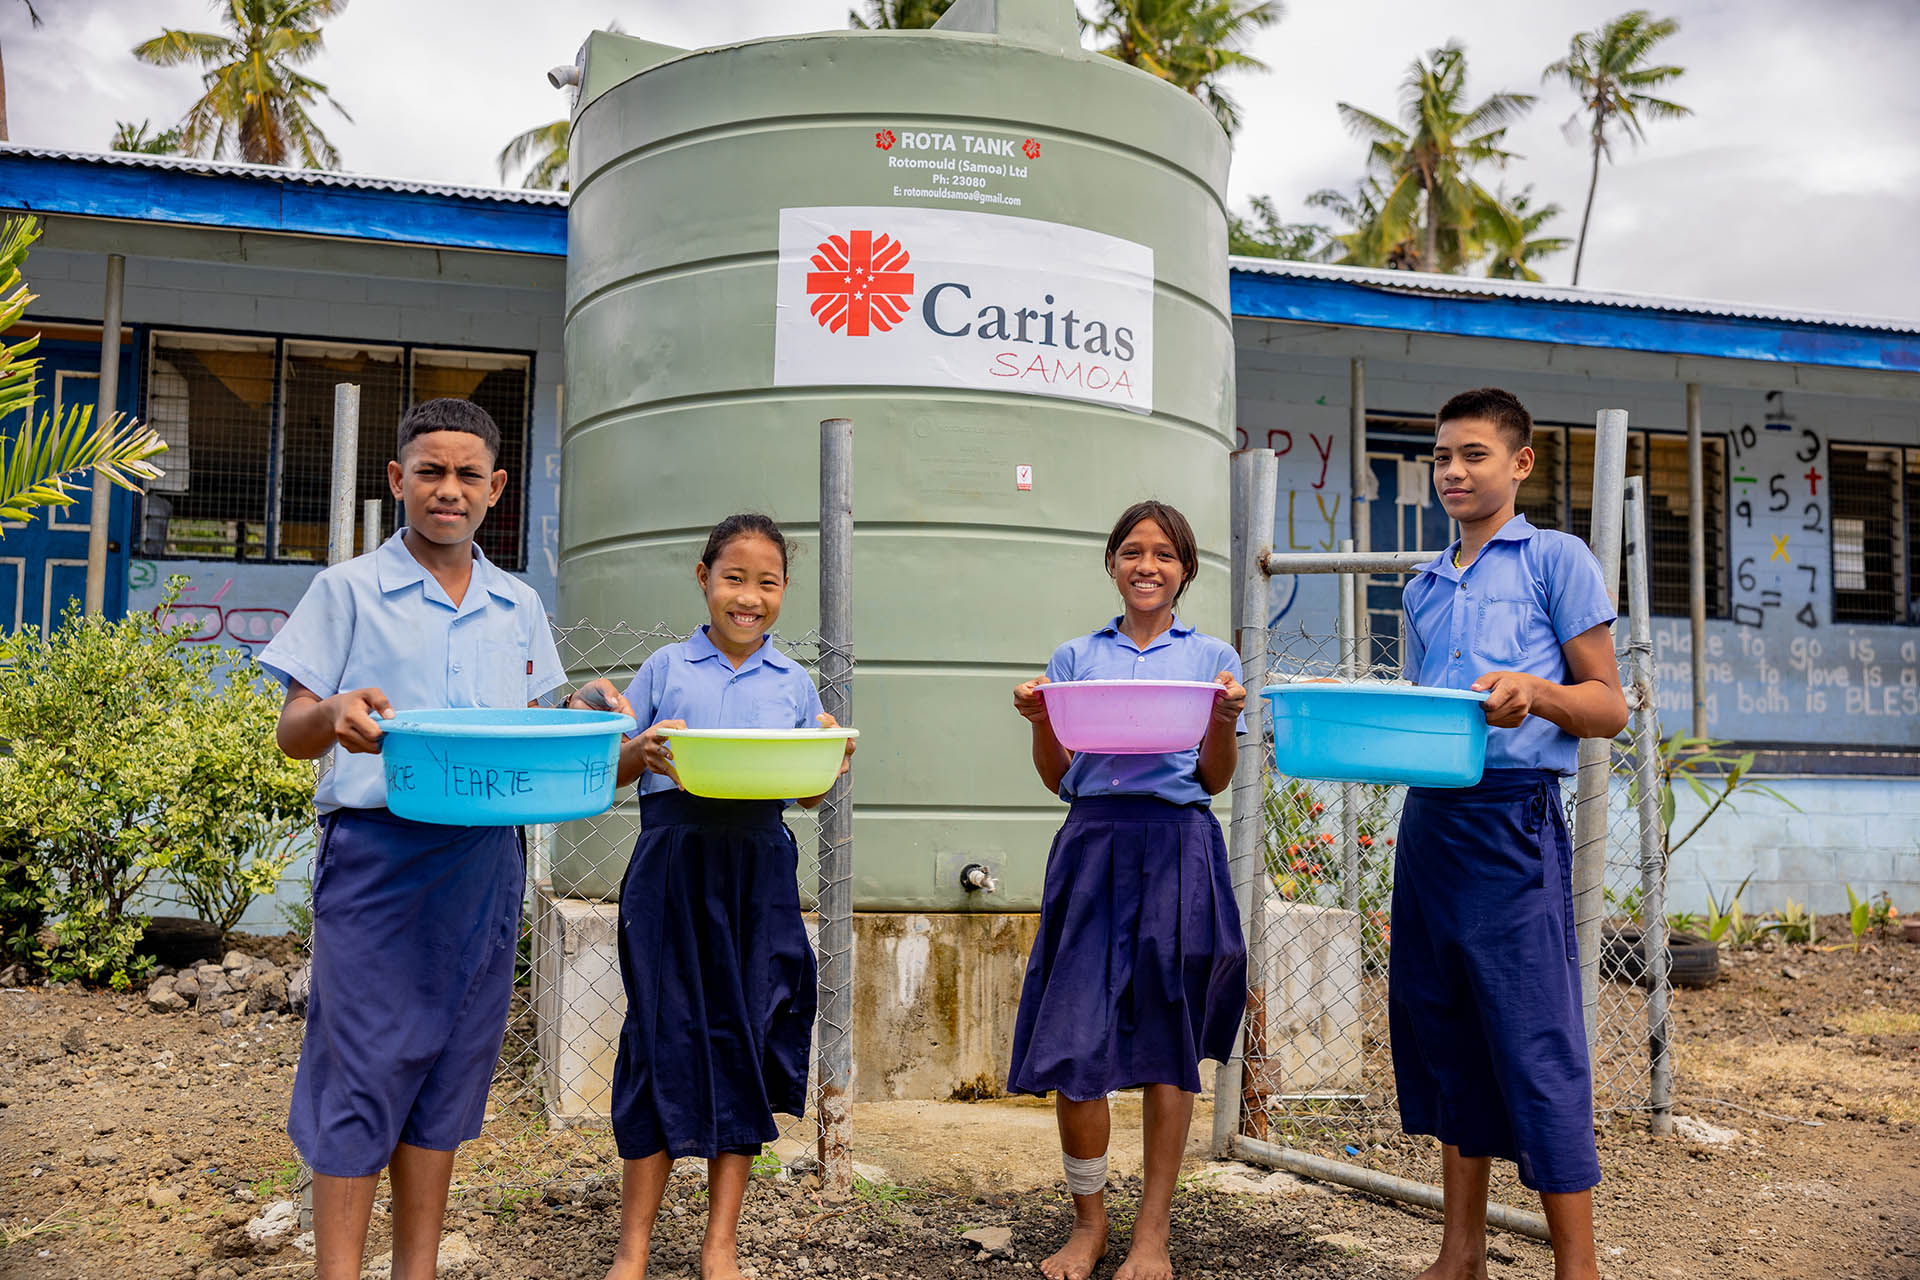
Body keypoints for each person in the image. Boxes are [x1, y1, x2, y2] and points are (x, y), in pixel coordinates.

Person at [259, 398, 569, 1280]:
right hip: (378, 858)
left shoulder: (517, 604)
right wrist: (332, 712)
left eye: (469, 475)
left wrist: (595, 721)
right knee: (361, 1063)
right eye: (429, 471)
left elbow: (539, 733)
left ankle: (417, 1269)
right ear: (396, 479)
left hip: (482, 864)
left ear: (496, 489)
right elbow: (293, 730)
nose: (448, 489)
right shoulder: (348, 590)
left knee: (450, 1061)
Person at [574, 513, 854, 1280]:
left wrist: (828, 752)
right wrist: (637, 748)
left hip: (759, 874)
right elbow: (615, 770)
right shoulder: (666, 668)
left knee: (748, 1032)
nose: (749, 597)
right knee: (659, 1037)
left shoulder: (794, 684)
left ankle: (719, 1244)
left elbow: (805, 798)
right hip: (672, 866)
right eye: (735, 578)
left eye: (767, 583)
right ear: (703, 579)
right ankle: (632, 1247)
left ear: (784, 592)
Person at [1394, 387, 1629, 1280]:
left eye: (1475, 456)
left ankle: (1580, 1268)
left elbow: (1607, 704)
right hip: (1431, 826)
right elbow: (1427, 718)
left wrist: (1538, 695)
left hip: (1512, 822)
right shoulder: (1423, 583)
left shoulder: (1555, 560)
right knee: (1446, 1029)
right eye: (1443, 457)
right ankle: (1462, 1253)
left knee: (1533, 1041)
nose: (1454, 472)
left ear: (1520, 464)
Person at [1009, 500, 1248, 1280]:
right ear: (1112, 563)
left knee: (1166, 1039)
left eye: (1165, 554)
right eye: (1133, 552)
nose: (1148, 565)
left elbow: (1214, 776)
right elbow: (1058, 777)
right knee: (1074, 1037)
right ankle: (1089, 1225)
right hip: (1093, 842)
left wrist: (1220, 717)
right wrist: (1041, 719)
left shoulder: (1214, 657)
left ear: (1185, 570)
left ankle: (1152, 1233)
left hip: (1180, 845)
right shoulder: (1077, 657)